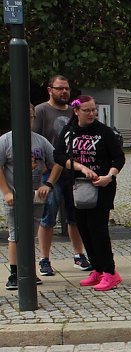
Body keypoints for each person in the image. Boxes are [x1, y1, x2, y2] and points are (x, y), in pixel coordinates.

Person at [54, 96, 125, 291]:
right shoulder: (69, 131)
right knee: (83, 227)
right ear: (77, 111)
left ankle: (110, 272)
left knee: (97, 228)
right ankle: (98, 269)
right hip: (77, 186)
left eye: (94, 109)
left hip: (101, 187)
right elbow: (58, 155)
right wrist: (79, 167)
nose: (92, 113)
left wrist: (109, 177)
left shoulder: (105, 132)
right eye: (87, 110)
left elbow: (118, 158)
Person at [33, 75, 90, 275]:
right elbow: (35, 141)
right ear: (50, 90)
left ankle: (78, 255)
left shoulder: (73, 113)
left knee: (75, 215)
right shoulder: (41, 111)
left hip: (72, 171)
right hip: (48, 172)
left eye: (66, 88)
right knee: (48, 215)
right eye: (59, 88)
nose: (64, 92)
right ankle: (44, 259)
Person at [1, 105, 62, 289]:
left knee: (31, 234)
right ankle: (14, 273)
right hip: (14, 195)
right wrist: (6, 193)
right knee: (16, 234)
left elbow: (57, 162)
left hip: (36, 194)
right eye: (24, 116)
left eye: (30, 116)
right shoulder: (6, 141)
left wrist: (48, 184)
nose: (28, 120)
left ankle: (29, 270)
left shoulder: (40, 141)